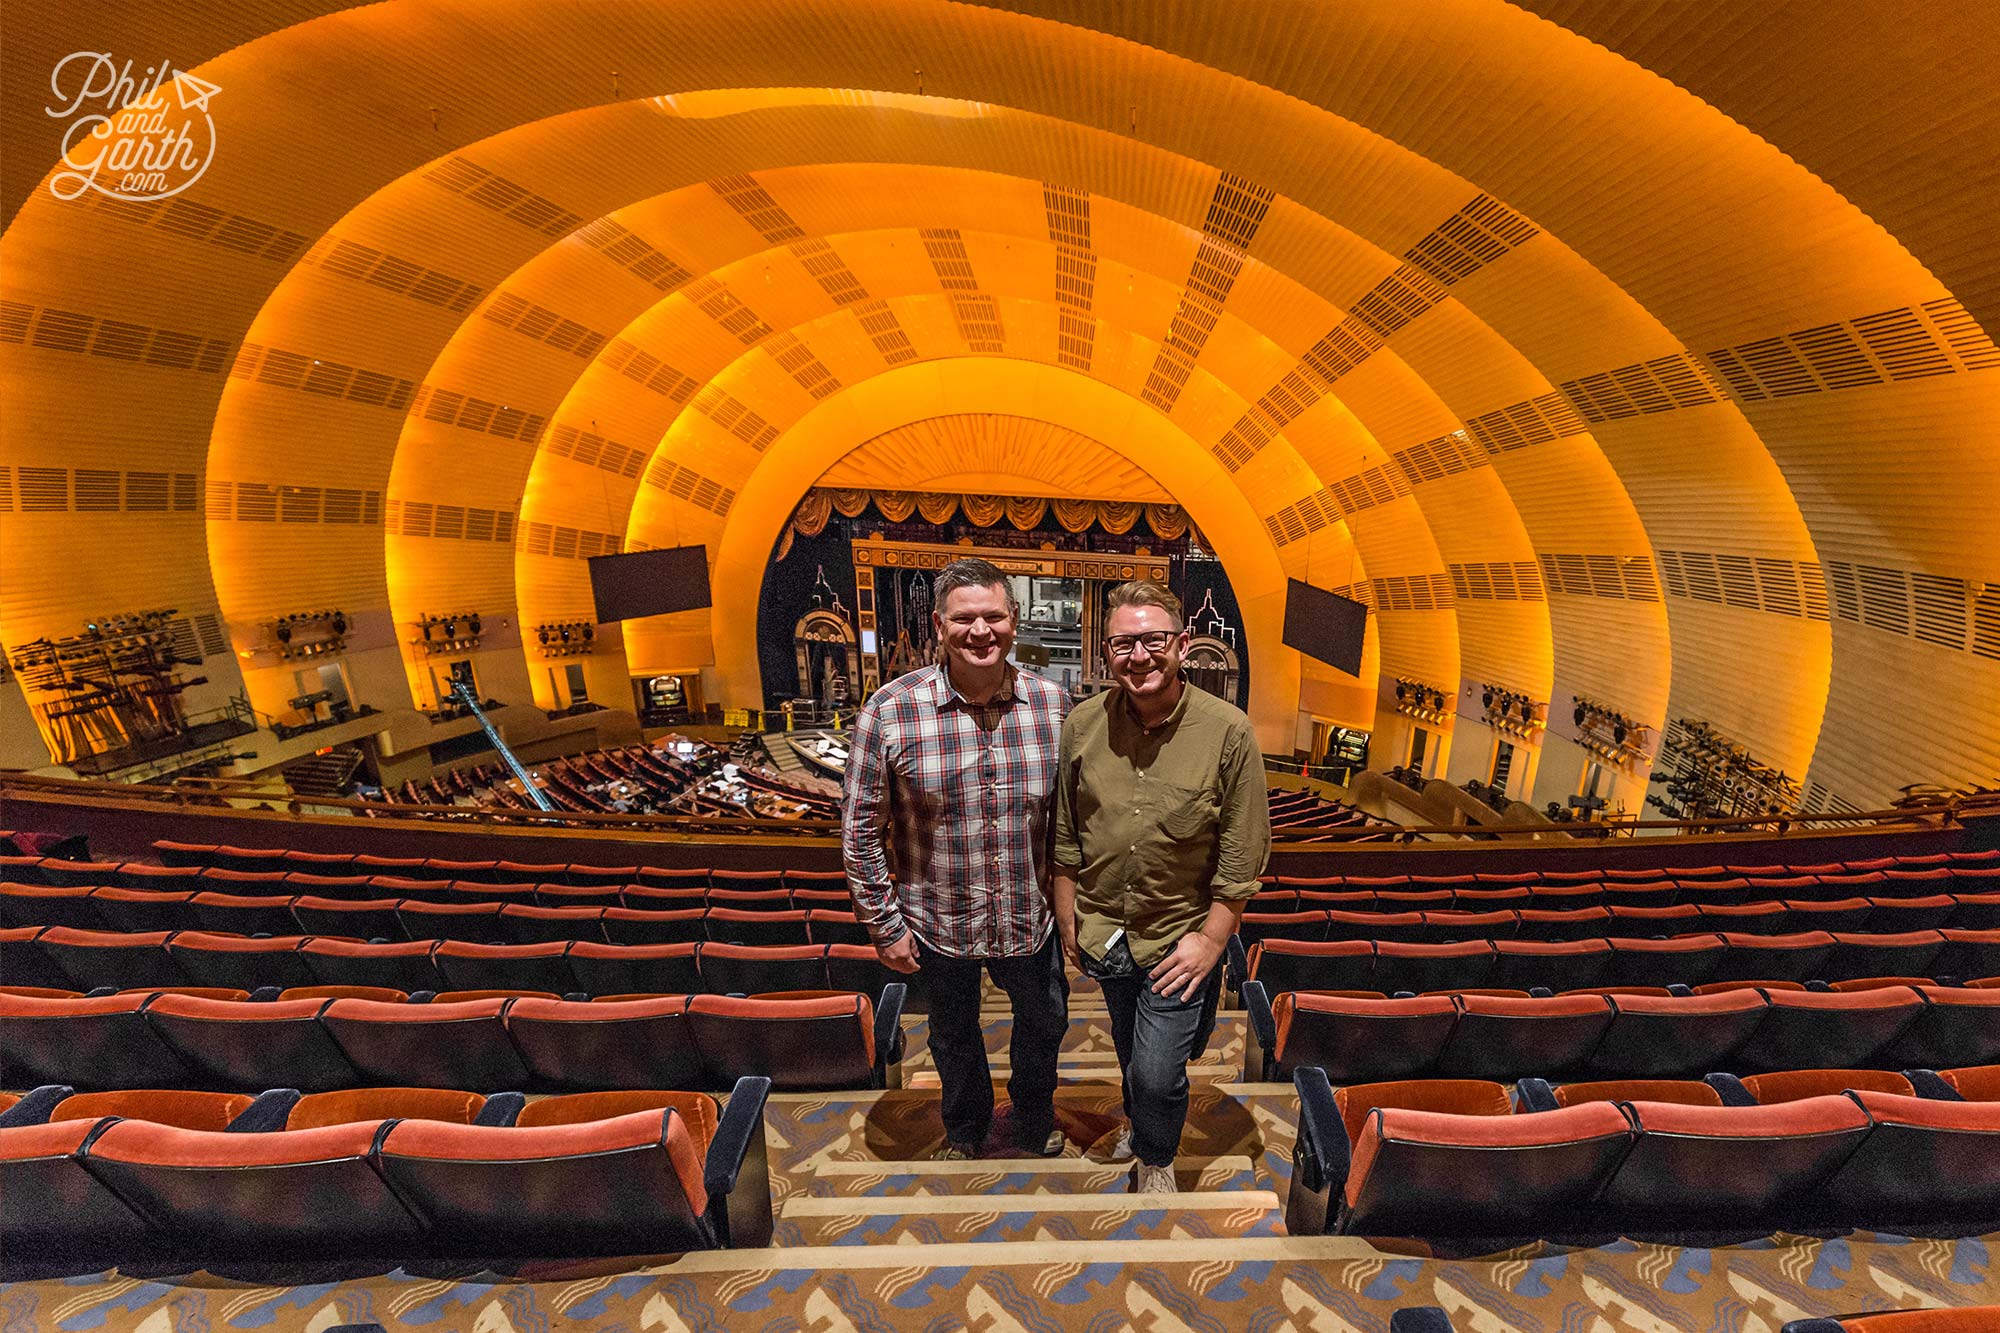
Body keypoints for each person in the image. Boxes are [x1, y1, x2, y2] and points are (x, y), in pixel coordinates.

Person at [842, 557, 1071, 1160]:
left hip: (1031, 917)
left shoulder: (1055, 706)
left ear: (1014, 621)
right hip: (936, 921)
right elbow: (861, 831)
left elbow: (1072, 822)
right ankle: (965, 1130)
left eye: (994, 616)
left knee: (1044, 1030)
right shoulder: (889, 710)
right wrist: (883, 924)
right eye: (965, 618)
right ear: (939, 625)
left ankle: (1032, 1118)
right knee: (952, 1039)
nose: (981, 631)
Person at [1052, 580, 1271, 1194]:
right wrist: (1069, 920)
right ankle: (1143, 1118)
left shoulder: (1228, 731)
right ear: (1105, 651)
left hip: (1181, 935)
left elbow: (1243, 850)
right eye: (1124, 643)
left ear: (1179, 643)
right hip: (1104, 928)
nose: (1139, 655)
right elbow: (1067, 832)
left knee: (1155, 1070)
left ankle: (1155, 1153)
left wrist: (1211, 941)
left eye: (1153, 640)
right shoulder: (1082, 726)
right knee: (1127, 1043)